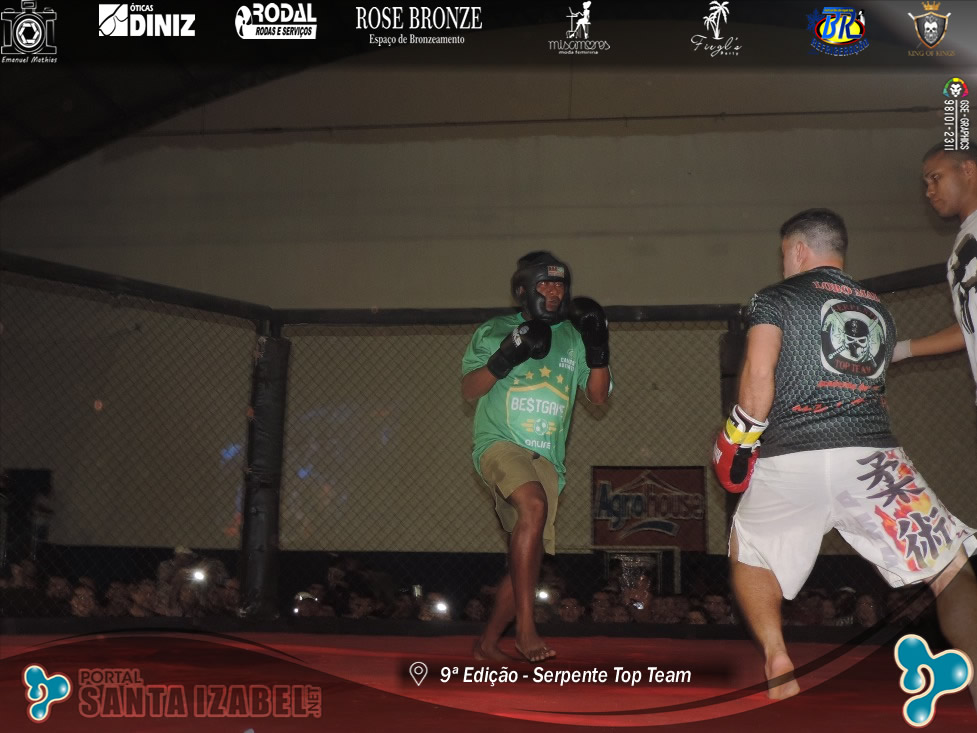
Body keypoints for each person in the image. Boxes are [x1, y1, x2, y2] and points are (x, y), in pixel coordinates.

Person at [712, 208, 977, 703]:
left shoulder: (776, 298)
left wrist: (738, 434)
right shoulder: (878, 310)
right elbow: (878, 386)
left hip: (792, 457)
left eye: (783, 254)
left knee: (751, 552)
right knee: (951, 569)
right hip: (872, 457)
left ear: (798, 250)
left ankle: (777, 655)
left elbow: (760, 373)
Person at [462, 250, 611, 662]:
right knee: (533, 505)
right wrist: (506, 355)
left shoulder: (574, 336)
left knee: (526, 560)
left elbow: (598, 397)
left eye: (559, 284)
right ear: (522, 291)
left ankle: (486, 643)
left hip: (547, 459)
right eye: (543, 284)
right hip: (498, 443)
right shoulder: (494, 330)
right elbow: (469, 390)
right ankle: (526, 630)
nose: (552, 292)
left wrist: (599, 346)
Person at [891, 146, 977, 402]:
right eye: (926, 183)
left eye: (936, 178)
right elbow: (969, 326)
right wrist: (899, 351)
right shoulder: (965, 238)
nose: (929, 191)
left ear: (968, 169)